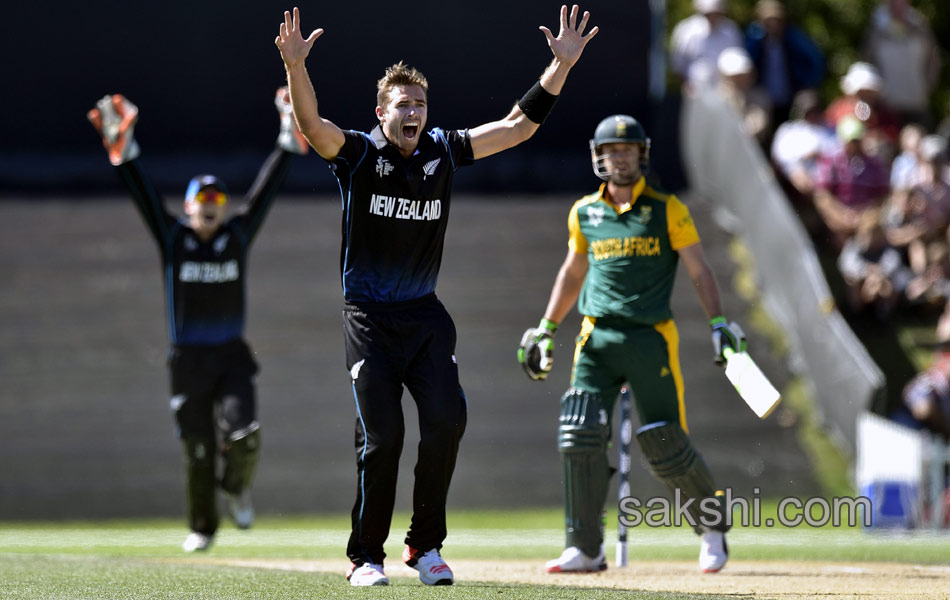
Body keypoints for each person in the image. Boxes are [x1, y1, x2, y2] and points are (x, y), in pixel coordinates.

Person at [274, 5, 598, 587]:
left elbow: (517, 127)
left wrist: (559, 66)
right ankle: (366, 557)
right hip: (368, 317)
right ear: (382, 113)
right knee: (384, 437)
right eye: (403, 106)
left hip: (425, 315)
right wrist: (297, 67)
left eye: (420, 105)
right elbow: (312, 128)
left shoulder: (442, 151)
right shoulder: (358, 156)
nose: (414, 114)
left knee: (447, 420)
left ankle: (425, 549)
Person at [517, 115, 743, 574]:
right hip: (596, 336)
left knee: (666, 441)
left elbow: (700, 270)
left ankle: (712, 528)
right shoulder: (585, 212)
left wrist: (718, 322)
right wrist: (546, 327)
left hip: (650, 337)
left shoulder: (667, 208)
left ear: (642, 154)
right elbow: (572, 272)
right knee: (578, 434)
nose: (620, 158)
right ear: (598, 157)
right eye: (611, 151)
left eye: (628, 150)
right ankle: (584, 547)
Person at [86, 88, 308, 553]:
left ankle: (236, 490)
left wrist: (289, 131)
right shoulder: (174, 240)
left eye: (217, 196)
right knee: (198, 452)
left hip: (230, 356)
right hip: (187, 360)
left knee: (244, 436)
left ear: (223, 205)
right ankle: (203, 527)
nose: (210, 202)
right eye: (200, 196)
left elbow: (265, 192)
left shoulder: (236, 237)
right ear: (188, 206)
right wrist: (123, 148)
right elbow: (142, 192)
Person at [813, 116, 890, 252]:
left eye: (857, 140)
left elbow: (883, 197)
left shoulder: (875, 164)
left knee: (873, 230)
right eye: (851, 141)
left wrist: (864, 215)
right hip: (838, 217)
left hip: (867, 219)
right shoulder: (831, 161)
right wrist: (841, 216)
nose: (854, 145)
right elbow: (822, 196)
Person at [743, 0, 825, 125]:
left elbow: (815, 61)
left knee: (806, 103)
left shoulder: (794, 39)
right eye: (767, 20)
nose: (772, 24)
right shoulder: (755, 40)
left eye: (776, 20)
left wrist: (807, 82)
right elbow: (746, 63)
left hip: (792, 94)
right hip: (764, 96)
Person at [863, 0, 940, 128]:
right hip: (887, 106)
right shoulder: (876, 30)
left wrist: (926, 87)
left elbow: (933, 59)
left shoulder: (921, 27)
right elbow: (868, 64)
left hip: (917, 103)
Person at [669, 0, 743, 92]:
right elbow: (678, 64)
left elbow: (737, 61)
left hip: (725, 91)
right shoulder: (686, 30)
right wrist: (685, 84)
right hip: (695, 90)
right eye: (709, 13)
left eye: (716, 13)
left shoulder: (731, 30)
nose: (713, 17)